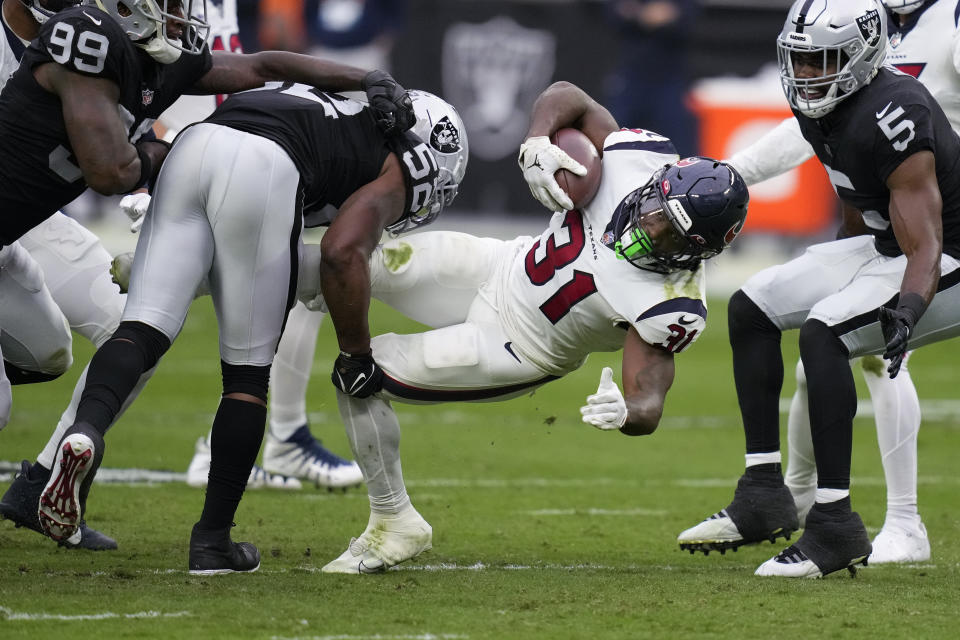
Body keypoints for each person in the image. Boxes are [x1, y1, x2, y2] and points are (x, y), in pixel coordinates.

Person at [0, 0, 412, 549]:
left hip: (20, 228)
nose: (180, 15)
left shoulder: (144, 53)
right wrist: (159, 154)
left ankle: (43, 485)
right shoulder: (86, 37)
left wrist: (366, 78)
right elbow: (110, 170)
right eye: (166, 5)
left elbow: (264, 66)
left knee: (82, 337)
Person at [311, 80, 750, 573]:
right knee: (343, 263)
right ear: (658, 181)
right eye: (655, 210)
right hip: (498, 265)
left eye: (670, 233)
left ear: (698, 253)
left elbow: (649, 399)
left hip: (516, 346)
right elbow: (570, 96)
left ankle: (395, 521)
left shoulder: (671, 303)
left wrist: (628, 411)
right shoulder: (637, 158)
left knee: (361, 374)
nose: (650, 227)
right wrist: (538, 138)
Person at [35, 81, 464, 575]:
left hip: (195, 145)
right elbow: (340, 252)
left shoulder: (332, 101)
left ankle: (86, 432)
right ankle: (212, 541)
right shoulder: (404, 161)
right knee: (246, 375)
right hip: (265, 166)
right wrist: (356, 353)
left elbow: (260, 80)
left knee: (142, 327)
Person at [677, 0, 960, 578]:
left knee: (826, 332)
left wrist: (906, 306)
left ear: (858, 55)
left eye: (822, 61)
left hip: (943, 248)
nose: (808, 74)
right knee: (752, 305)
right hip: (891, 237)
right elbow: (858, 189)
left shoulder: (897, 105)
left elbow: (924, 242)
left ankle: (836, 524)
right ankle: (763, 492)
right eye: (801, 61)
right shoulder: (829, 98)